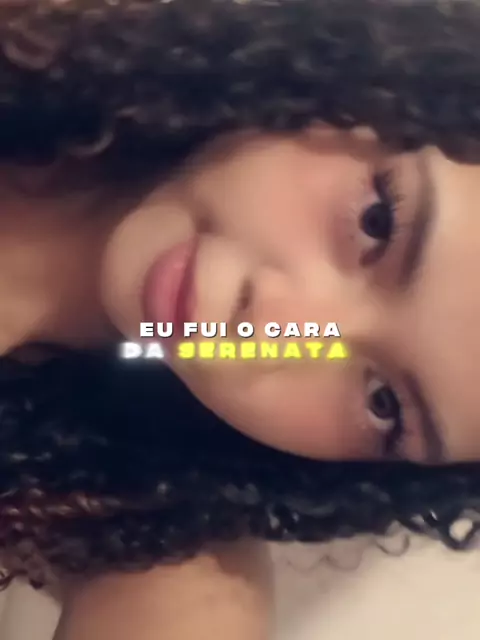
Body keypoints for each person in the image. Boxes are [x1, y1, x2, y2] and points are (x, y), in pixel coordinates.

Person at [1, 0, 480, 637]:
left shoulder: (144, 544)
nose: (282, 330)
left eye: (384, 403)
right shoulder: (36, 27)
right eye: (378, 222)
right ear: (369, 82)